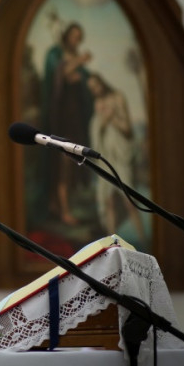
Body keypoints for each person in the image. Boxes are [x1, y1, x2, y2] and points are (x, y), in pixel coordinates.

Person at [40, 21, 94, 226]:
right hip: (61, 118)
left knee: (73, 162)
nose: (76, 40)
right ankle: (61, 208)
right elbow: (58, 74)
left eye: (79, 37)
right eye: (73, 35)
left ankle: (63, 205)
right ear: (66, 36)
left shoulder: (72, 57)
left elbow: (82, 82)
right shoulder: (56, 54)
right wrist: (78, 62)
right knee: (62, 162)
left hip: (75, 119)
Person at [86, 72, 147, 245]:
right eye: (92, 89)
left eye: (96, 85)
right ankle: (111, 244)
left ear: (102, 82)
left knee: (129, 201)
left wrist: (111, 118)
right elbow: (97, 131)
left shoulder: (118, 97)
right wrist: (102, 122)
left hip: (120, 156)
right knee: (109, 202)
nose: (96, 90)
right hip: (106, 156)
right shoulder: (97, 103)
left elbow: (127, 129)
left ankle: (143, 239)